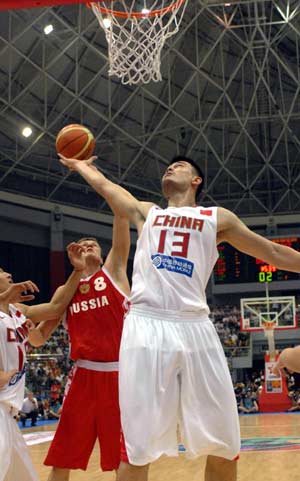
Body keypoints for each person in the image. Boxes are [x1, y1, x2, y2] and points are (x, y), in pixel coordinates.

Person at [59, 152, 300, 481]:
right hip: (146, 324)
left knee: (224, 443)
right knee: (136, 446)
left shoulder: (217, 218)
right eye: (168, 167)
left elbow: (271, 251)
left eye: (180, 166)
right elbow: (106, 186)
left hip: (196, 326)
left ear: (196, 181)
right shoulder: (148, 213)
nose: (170, 168)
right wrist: (81, 165)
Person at [44, 216, 130, 481]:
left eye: (94, 244)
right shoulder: (67, 290)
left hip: (119, 376)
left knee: (122, 459)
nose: (89, 245)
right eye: (83, 244)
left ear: (103, 255)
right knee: (62, 457)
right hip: (83, 376)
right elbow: (38, 337)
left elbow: (121, 220)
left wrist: (112, 195)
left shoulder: (114, 272)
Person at [0, 243, 86, 481]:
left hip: (8, 413)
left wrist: (77, 272)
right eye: (1, 272)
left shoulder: (18, 312)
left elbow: (54, 309)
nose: (8, 273)